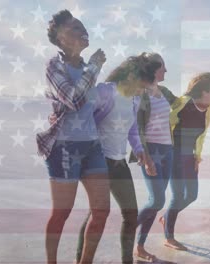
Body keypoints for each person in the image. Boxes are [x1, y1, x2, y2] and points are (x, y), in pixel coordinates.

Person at [74, 54, 162, 264]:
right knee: (97, 215)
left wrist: (140, 149)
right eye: (143, 85)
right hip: (96, 162)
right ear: (132, 77)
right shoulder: (106, 91)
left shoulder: (134, 97)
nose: (144, 90)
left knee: (130, 215)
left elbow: (131, 128)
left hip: (118, 162)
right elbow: (80, 114)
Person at [37, 10, 109, 264]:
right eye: (74, 28)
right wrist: (95, 66)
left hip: (92, 146)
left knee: (102, 211)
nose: (82, 31)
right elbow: (74, 100)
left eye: (82, 26)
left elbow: (95, 106)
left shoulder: (88, 68)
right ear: (60, 38)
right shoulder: (54, 66)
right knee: (62, 212)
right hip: (64, 147)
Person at [160, 72, 210, 251]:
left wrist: (197, 156)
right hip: (173, 155)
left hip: (189, 156)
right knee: (178, 196)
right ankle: (169, 237)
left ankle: (166, 217)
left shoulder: (209, 108)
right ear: (204, 92)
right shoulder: (184, 103)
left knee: (192, 195)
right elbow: (165, 123)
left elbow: (201, 135)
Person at [133, 52, 177, 261]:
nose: (166, 70)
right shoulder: (140, 94)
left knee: (156, 201)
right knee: (157, 199)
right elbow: (136, 127)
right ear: (152, 69)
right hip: (151, 151)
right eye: (162, 66)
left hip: (168, 150)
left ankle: (139, 247)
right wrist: (146, 157)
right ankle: (128, 226)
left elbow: (184, 106)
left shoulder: (165, 91)